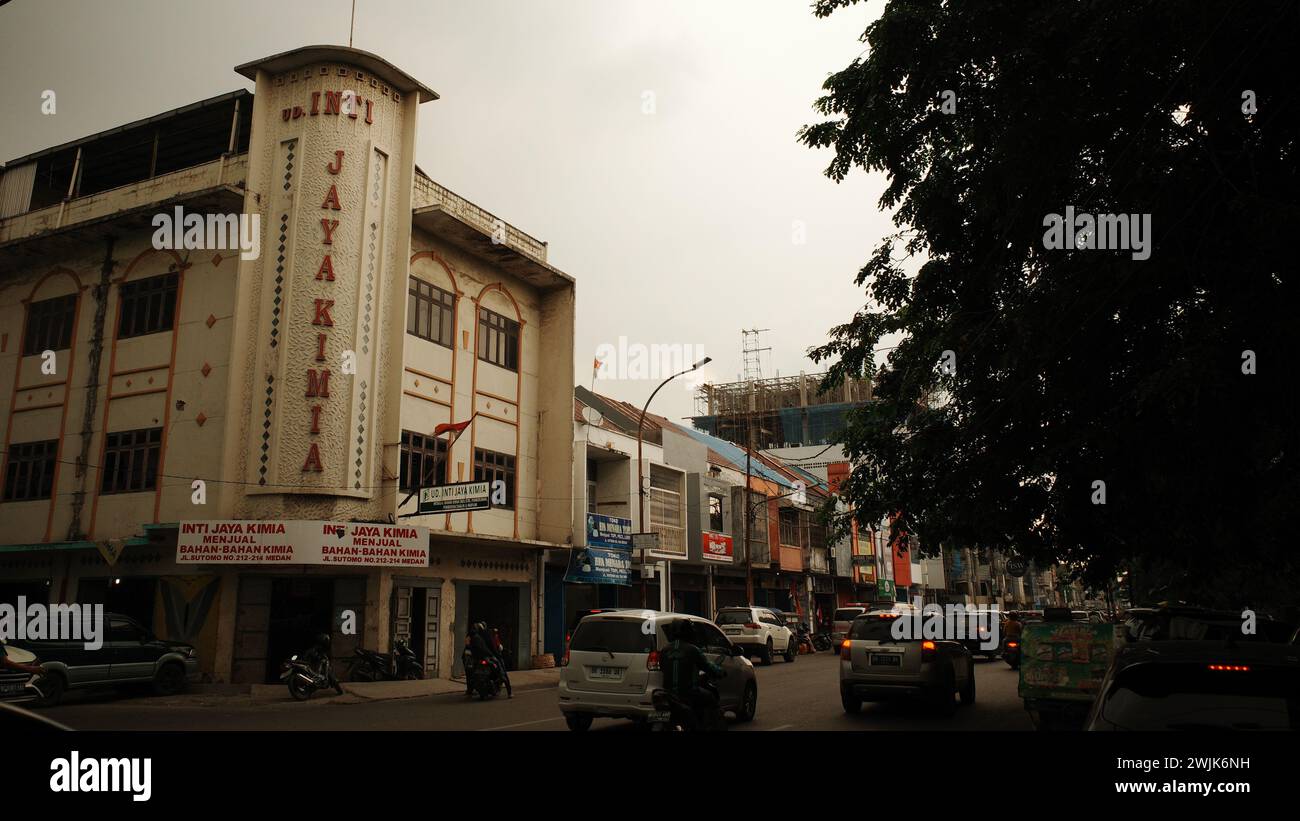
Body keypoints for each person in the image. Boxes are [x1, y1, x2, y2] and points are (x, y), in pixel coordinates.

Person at [659, 619, 724, 730]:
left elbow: (662, 668)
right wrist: (720, 672)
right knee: (711, 698)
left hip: (669, 695)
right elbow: (709, 667)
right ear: (688, 632)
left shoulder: (664, 650)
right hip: (689, 693)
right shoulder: (693, 650)